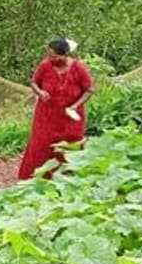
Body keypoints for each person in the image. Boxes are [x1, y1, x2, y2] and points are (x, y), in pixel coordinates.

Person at [18, 38, 95, 180]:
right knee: (42, 144)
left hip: (70, 116)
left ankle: (68, 178)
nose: (51, 59)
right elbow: (34, 82)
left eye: (55, 56)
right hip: (46, 115)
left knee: (70, 144)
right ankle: (39, 177)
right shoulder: (45, 65)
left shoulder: (79, 68)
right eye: (49, 56)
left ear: (65, 54)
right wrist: (40, 92)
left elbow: (89, 90)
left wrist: (75, 105)